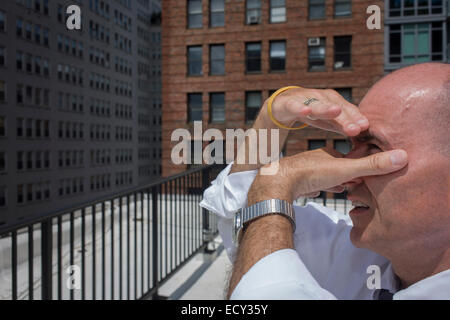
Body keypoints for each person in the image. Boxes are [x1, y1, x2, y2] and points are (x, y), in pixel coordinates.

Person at [200, 62, 450, 300]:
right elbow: (246, 222)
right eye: (350, 146)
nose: (347, 172)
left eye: (374, 148)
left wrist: (274, 185)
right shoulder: (362, 259)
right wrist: (272, 119)